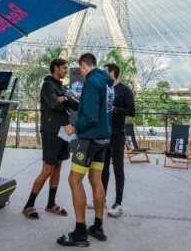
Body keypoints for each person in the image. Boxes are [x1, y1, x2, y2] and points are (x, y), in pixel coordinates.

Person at [57, 53, 114, 247]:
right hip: (104, 137)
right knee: (96, 179)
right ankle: (98, 226)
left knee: (74, 179)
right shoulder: (106, 81)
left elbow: (89, 117)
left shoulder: (90, 82)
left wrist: (75, 127)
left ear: (82, 65)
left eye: (79, 68)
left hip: (89, 138)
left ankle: (80, 232)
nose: (80, 72)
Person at [22, 58, 78, 220]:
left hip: (64, 130)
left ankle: (50, 204)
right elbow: (54, 105)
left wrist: (66, 98)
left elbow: (75, 105)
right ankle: (29, 204)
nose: (66, 70)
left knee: (58, 166)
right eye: (64, 68)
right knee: (47, 169)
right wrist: (64, 99)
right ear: (55, 68)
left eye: (67, 68)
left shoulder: (61, 87)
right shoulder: (48, 85)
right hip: (51, 131)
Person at [98, 63, 135, 218]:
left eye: (105, 72)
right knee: (103, 168)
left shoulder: (124, 90)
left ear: (112, 73)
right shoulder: (102, 89)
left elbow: (132, 111)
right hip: (103, 132)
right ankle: (101, 199)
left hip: (117, 133)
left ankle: (118, 203)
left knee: (118, 168)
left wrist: (115, 109)